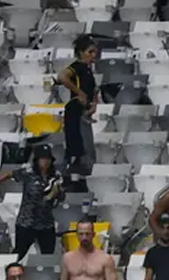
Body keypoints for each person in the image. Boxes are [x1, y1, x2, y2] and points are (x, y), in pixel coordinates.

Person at [0, 144, 62, 261]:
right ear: (37, 160)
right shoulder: (28, 172)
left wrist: (57, 193)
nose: (46, 162)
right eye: (43, 159)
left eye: (48, 159)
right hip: (26, 222)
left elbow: (61, 198)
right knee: (18, 254)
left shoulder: (56, 176)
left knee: (48, 257)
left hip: (46, 223)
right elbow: (8, 174)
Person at [56, 35, 98, 176]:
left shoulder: (88, 70)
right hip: (75, 110)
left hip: (84, 111)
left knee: (88, 147)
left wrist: (93, 104)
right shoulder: (77, 67)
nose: (93, 55)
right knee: (81, 146)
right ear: (81, 52)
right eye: (90, 52)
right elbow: (62, 76)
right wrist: (79, 93)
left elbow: (94, 90)